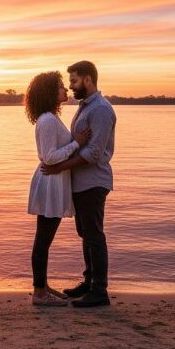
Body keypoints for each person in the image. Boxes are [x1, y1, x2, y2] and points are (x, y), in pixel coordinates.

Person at [42, 61, 116, 307]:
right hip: (80, 183)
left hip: (94, 182)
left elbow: (94, 152)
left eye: (74, 81)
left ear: (87, 80)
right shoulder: (85, 107)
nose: (71, 86)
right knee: (85, 234)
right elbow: (78, 143)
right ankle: (89, 283)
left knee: (94, 235)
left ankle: (100, 291)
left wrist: (58, 168)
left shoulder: (101, 110)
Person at [25, 71, 91, 306]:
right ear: (50, 92)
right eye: (61, 87)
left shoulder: (50, 118)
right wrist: (77, 144)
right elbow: (49, 157)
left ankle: (42, 286)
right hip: (50, 182)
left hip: (55, 181)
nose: (65, 90)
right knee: (43, 239)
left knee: (44, 238)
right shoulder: (47, 120)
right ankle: (39, 293)